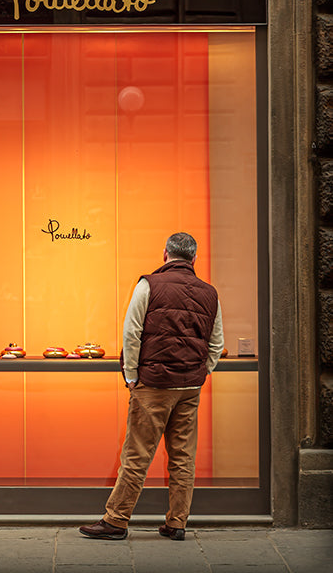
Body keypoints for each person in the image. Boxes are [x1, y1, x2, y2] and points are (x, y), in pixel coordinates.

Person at [79, 231, 224, 542]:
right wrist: (200, 373)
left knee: (137, 454)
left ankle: (116, 521)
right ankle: (177, 523)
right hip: (188, 387)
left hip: (153, 384)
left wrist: (131, 375)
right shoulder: (210, 293)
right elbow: (216, 343)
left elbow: (131, 332)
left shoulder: (149, 285)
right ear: (194, 259)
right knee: (183, 456)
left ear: (165, 255)